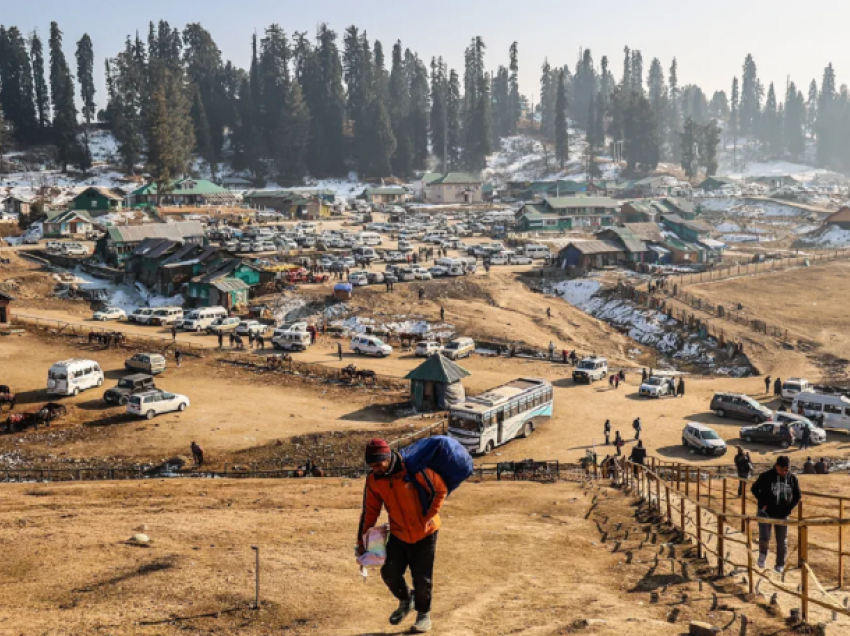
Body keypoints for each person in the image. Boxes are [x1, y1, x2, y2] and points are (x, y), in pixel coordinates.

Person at [356, 439, 446, 633]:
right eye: (371, 466)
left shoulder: (412, 468)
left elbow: (440, 489)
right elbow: (370, 511)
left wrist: (428, 517)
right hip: (398, 532)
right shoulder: (374, 480)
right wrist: (362, 542)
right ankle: (406, 600)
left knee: (422, 579)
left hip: (425, 532)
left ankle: (423, 614)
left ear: (387, 458)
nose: (375, 469)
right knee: (389, 572)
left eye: (378, 464)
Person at [751, 456, 801, 573]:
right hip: (765, 513)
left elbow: (798, 495)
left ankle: (780, 564)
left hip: (782, 514)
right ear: (776, 466)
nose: (784, 472)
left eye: (786, 470)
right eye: (782, 470)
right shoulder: (766, 476)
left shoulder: (792, 478)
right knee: (764, 537)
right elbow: (754, 489)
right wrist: (762, 502)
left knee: (782, 540)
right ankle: (762, 555)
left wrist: (789, 508)